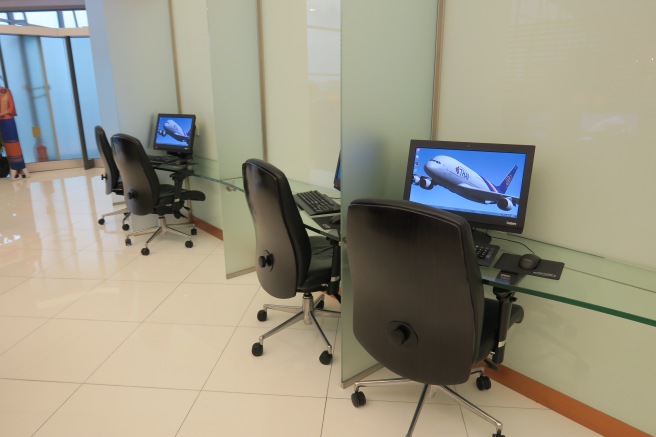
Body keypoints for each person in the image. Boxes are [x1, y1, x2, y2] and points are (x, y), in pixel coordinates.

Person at [0, 86, 28, 178]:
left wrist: (1, 113)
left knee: (14, 144)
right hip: (1, 123)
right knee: (7, 145)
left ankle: (20, 168)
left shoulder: (6, 91)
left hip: (9, 121)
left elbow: (11, 108)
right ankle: (15, 170)